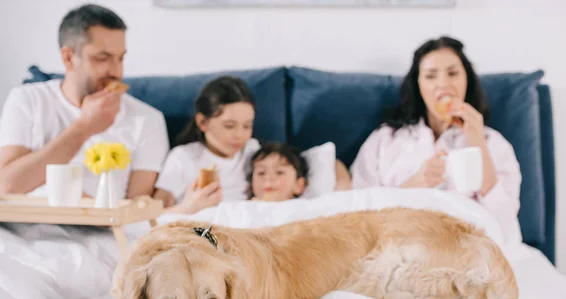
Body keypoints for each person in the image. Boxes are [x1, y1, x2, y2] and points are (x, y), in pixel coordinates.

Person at [350, 36, 522, 241]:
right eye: (431, 76)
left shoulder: (494, 143)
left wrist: (478, 144)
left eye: (453, 73)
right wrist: (414, 185)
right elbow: (359, 216)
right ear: (418, 85)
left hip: (471, 249)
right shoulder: (386, 140)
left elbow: (505, 228)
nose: (443, 84)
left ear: (467, 79)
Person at [0, 4, 169, 200]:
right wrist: (84, 127)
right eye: (102, 58)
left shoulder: (148, 119)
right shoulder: (28, 99)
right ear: (69, 58)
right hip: (20, 228)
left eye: (120, 58)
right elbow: (6, 185)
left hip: (101, 230)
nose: (116, 72)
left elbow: (137, 216)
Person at [154, 76, 351, 214]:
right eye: (229, 126)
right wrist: (189, 208)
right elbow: (154, 215)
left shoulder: (252, 151)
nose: (240, 135)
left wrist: (342, 189)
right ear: (203, 122)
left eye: (247, 126)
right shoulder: (183, 158)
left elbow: (323, 161)